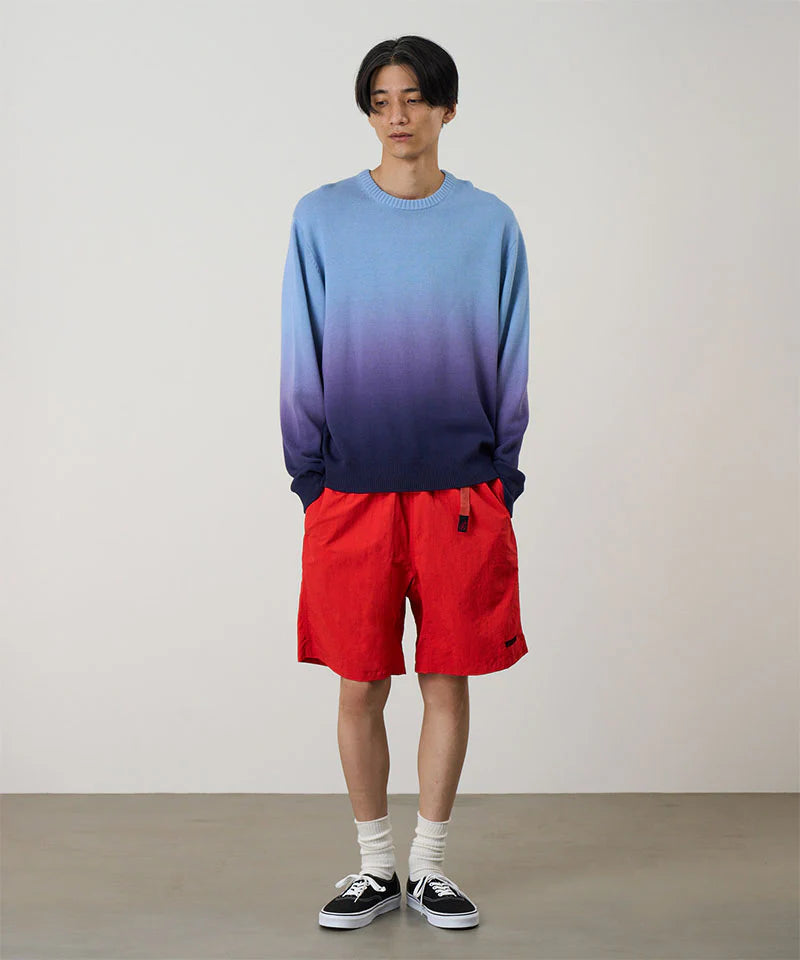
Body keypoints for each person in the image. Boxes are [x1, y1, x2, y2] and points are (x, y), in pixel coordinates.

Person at [279, 35, 531, 931]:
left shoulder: (489, 222)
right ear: (368, 111)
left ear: (447, 109)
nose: (398, 115)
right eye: (382, 100)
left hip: (460, 493)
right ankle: (373, 867)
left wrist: (502, 473)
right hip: (351, 493)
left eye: (416, 98)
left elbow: (512, 350)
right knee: (359, 684)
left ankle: (428, 868)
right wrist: (311, 479)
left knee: (447, 680)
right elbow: (300, 348)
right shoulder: (321, 217)